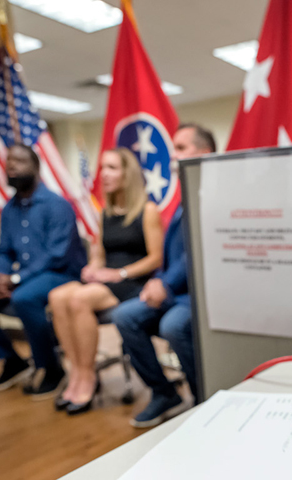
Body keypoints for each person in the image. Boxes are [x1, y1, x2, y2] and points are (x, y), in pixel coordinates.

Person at [0, 143, 87, 398]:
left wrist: (15, 279)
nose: (11, 166)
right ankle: (12, 361)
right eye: (8, 162)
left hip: (61, 274)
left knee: (24, 298)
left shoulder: (57, 205)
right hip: (25, 276)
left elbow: (56, 256)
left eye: (19, 161)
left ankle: (51, 369)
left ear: (36, 168)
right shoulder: (9, 210)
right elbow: (4, 250)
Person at [112, 123, 214, 428]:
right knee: (124, 316)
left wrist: (165, 283)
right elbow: (173, 254)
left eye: (181, 148)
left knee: (172, 326)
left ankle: (204, 399)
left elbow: (194, 254)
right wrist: (158, 280)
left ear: (204, 154)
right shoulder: (184, 197)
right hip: (175, 290)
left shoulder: (210, 196)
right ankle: (163, 392)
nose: (173, 155)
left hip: (196, 294)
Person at [48, 147, 163, 414]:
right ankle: (75, 372)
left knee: (78, 299)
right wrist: (92, 267)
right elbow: (100, 254)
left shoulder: (147, 211)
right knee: (56, 297)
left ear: (127, 173)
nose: (104, 174)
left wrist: (119, 273)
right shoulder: (104, 213)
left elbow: (155, 258)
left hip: (132, 281)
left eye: (112, 168)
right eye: (102, 168)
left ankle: (88, 376)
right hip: (106, 279)